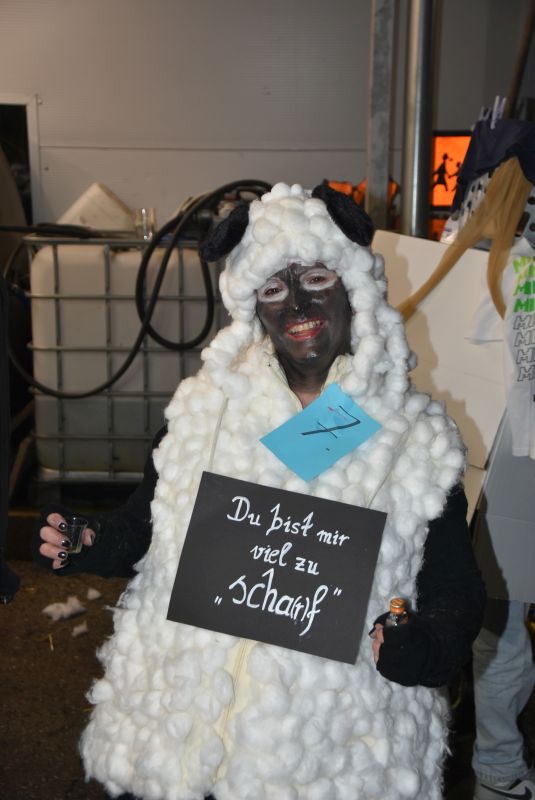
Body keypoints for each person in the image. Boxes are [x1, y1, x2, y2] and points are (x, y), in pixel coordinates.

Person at [34, 182, 485, 800]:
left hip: (323, 753)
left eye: (316, 279)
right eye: (274, 289)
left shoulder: (415, 440)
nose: (297, 303)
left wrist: (427, 646)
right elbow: (145, 531)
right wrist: (91, 541)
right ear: (254, 309)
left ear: (354, 289)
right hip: (183, 730)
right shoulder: (205, 413)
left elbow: (455, 589)